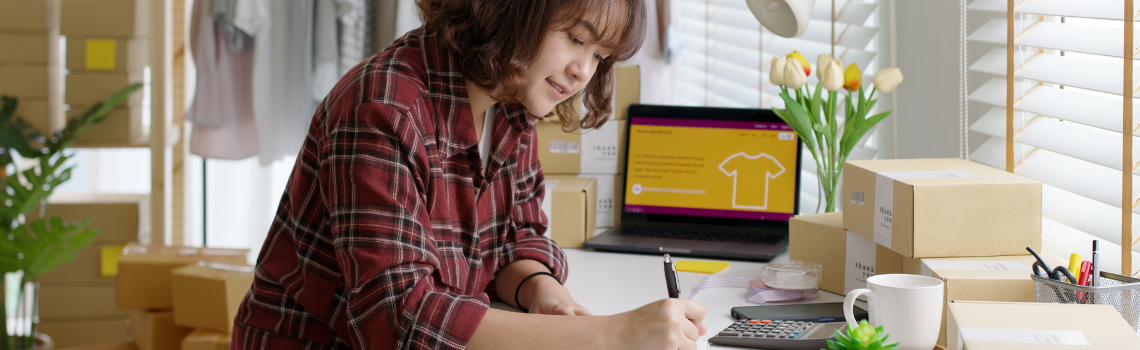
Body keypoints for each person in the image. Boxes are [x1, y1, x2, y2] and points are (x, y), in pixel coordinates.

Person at [231, 0, 706, 349]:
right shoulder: (383, 109)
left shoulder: (512, 99)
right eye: (576, 38)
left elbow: (519, 237)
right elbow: (400, 320)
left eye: (600, 56)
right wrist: (609, 335)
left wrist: (541, 290)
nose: (584, 70)